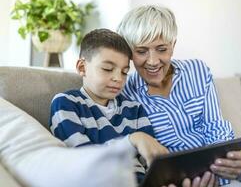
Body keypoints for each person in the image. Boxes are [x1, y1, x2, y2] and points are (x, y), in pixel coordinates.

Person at [117, 5, 241, 187]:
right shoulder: (125, 93)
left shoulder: (197, 70)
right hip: (186, 177)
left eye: (161, 49)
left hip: (233, 158)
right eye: (141, 51)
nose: (153, 61)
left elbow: (215, 124)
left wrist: (226, 160)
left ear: (173, 46)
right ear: (130, 53)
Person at [49, 28, 168, 184]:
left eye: (124, 72)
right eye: (107, 69)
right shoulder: (66, 103)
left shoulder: (134, 109)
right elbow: (82, 159)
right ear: (82, 67)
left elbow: (150, 161)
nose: (118, 78)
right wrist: (132, 140)